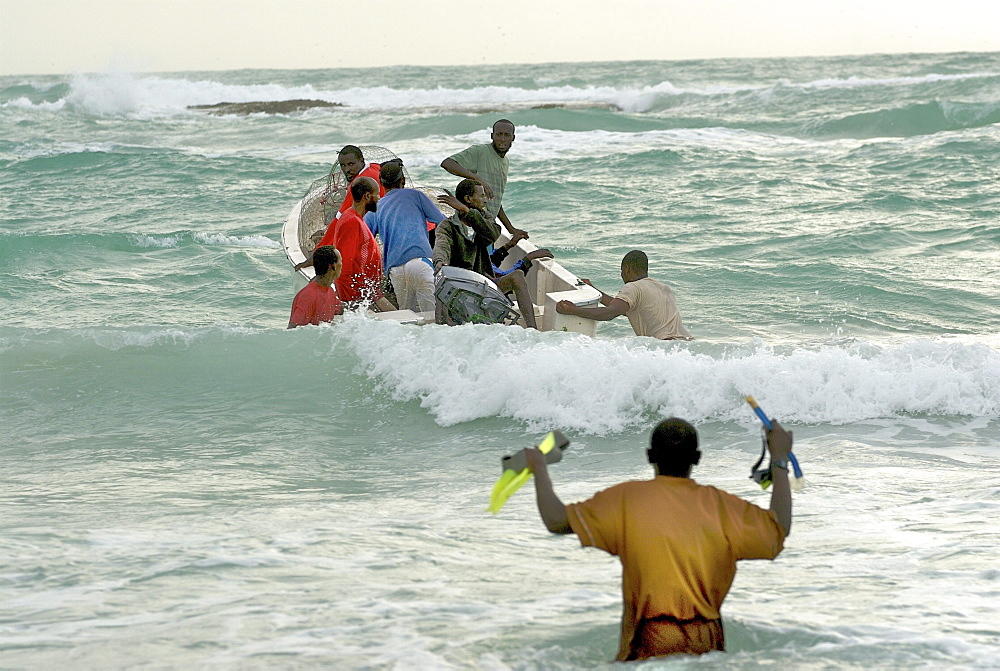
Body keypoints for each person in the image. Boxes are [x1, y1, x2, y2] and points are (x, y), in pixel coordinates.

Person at [525, 418, 793, 661]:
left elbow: (556, 520)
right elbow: (778, 529)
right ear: (697, 458)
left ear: (649, 456)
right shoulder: (724, 508)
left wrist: (539, 467)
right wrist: (778, 458)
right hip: (707, 654)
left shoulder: (627, 500)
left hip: (644, 650)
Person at [434, 179, 545, 329]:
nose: (485, 200)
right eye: (482, 196)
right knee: (442, 288)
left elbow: (492, 235)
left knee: (517, 276)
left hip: (484, 283)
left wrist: (468, 212)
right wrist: (440, 262)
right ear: (468, 199)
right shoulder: (447, 226)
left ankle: (533, 329)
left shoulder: (485, 219)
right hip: (459, 285)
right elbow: (442, 245)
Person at [364, 161, 446, 313]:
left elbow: (362, 236)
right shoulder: (416, 196)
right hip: (420, 262)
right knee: (433, 318)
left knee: (408, 318)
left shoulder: (376, 206)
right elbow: (442, 221)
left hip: (395, 270)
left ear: (381, 184)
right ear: (403, 180)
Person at [556, 250, 692, 340]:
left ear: (627, 269)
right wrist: (595, 291)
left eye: (621, 271)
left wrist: (574, 310)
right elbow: (626, 309)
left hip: (664, 348)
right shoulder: (664, 288)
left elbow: (610, 313)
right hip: (685, 347)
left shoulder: (633, 287)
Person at [440, 119, 529, 242]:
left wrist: (511, 229)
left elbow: (494, 199)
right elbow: (447, 163)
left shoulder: (505, 162)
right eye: (499, 134)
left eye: (506, 135)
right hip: (472, 224)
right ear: (492, 136)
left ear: (513, 138)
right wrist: (477, 178)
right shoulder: (480, 151)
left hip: (487, 225)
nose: (502, 139)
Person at [315, 176, 393, 310]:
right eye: (377, 194)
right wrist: (354, 297)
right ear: (367, 196)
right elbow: (344, 265)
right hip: (360, 295)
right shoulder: (352, 221)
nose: (379, 199)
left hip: (368, 292)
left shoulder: (355, 218)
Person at [287, 245, 343, 328]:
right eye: (340, 261)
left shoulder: (329, 291)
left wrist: (365, 305)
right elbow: (292, 329)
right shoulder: (308, 296)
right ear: (333, 266)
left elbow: (341, 309)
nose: (341, 264)